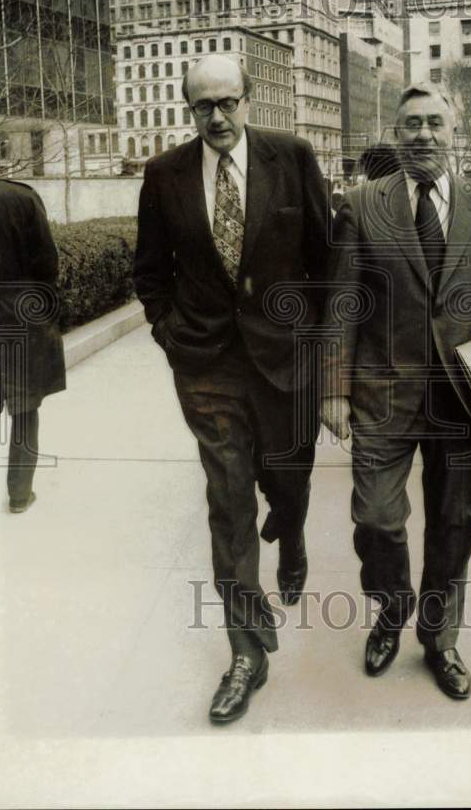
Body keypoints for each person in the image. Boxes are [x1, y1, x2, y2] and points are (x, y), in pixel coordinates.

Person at [321, 84, 471, 699]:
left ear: (454, 132)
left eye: (434, 125)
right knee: (375, 519)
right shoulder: (362, 203)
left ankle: (440, 639)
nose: (423, 135)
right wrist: (333, 390)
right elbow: (341, 300)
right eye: (411, 124)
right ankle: (392, 608)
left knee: (455, 523)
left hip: (465, 396)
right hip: (380, 395)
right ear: (396, 134)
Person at [133, 55, 329, 726]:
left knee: (289, 482)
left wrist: (324, 357)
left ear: (250, 99)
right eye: (202, 106)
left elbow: (327, 266)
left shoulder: (293, 157)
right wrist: (170, 337)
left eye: (227, 102)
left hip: (289, 364)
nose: (216, 117)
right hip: (209, 367)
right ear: (188, 108)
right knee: (228, 502)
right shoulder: (164, 176)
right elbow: (150, 272)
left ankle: (294, 532)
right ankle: (247, 652)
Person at [0, 178, 66, 514]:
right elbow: (47, 262)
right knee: (24, 408)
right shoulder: (21, 196)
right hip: (19, 314)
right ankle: (20, 493)